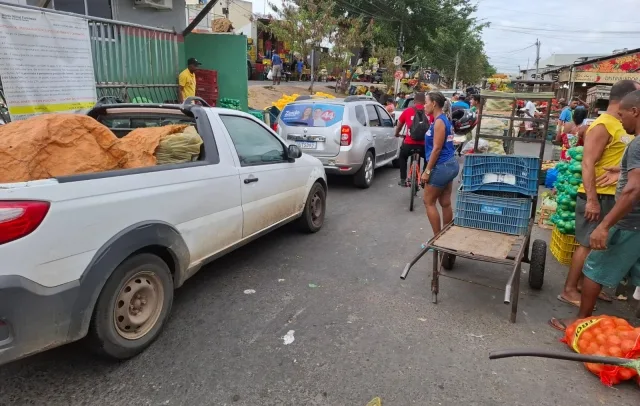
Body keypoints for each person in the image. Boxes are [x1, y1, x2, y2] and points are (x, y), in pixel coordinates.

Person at [550, 89, 640, 331]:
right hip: (620, 210)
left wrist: (605, 225)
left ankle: (581, 321)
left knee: (595, 266)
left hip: (629, 218)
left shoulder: (638, 143)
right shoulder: (605, 127)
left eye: (624, 116)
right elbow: (589, 162)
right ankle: (573, 292)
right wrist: (617, 174)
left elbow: (634, 189)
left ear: (635, 111)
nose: (622, 121)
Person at [421, 92, 459, 235]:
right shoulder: (443, 120)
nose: (424, 106)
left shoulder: (439, 122)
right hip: (450, 165)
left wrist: (427, 171)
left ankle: (437, 240)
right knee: (445, 202)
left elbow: (437, 149)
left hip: (442, 166)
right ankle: (446, 238)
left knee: (428, 201)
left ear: (434, 103)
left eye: (426, 102)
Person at [394, 92, 433, 187]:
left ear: (414, 101)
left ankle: (403, 179)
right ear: (424, 101)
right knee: (429, 158)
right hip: (424, 145)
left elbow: (399, 125)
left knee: (402, 157)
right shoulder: (429, 112)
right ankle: (424, 177)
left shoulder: (407, 111)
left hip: (409, 144)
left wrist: (397, 134)